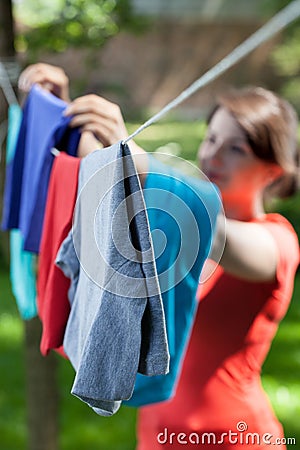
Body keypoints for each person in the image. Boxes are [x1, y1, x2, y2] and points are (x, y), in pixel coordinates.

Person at [19, 63, 299, 449]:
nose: (213, 155)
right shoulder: (172, 222)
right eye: (211, 138)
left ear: (273, 171)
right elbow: (104, 184)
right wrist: (69, 115)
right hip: (157, 436)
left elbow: (212, 231)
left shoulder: (276, 241)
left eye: (236, 148)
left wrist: (131, 156)